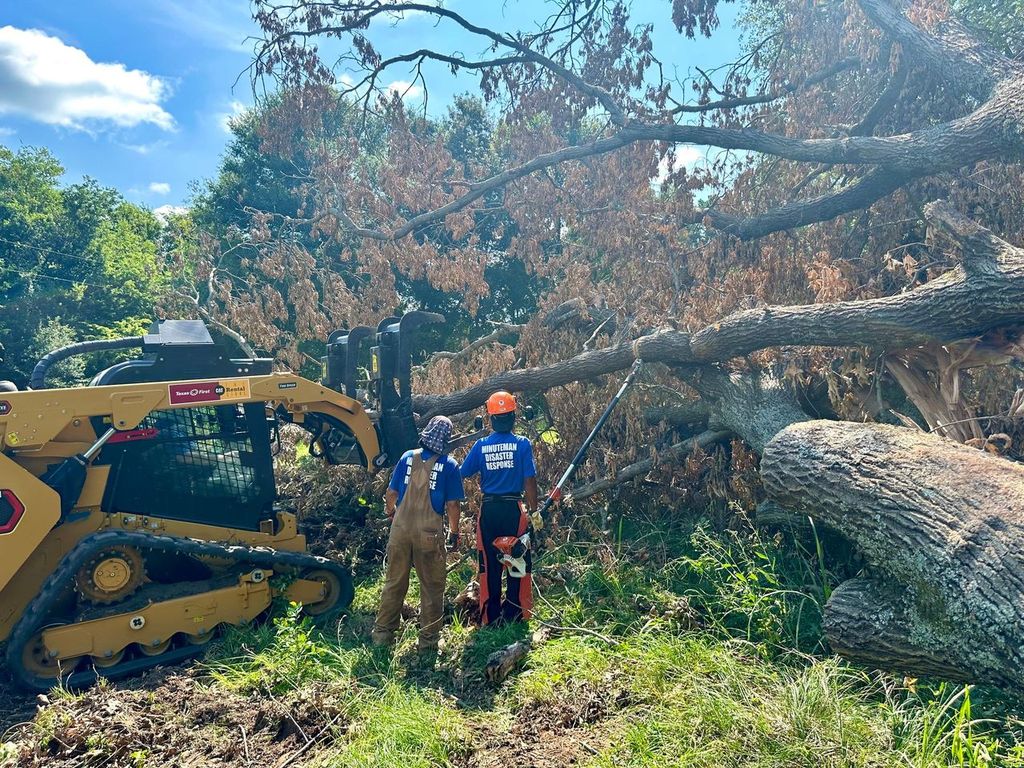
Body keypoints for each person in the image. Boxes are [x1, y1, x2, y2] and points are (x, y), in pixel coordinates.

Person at [372, 415, 465, 653]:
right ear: (445, 439)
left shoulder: (406, 457)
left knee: (394, 582)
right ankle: (428, 643)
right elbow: (453, 505)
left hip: (400, 531)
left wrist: (391, 513)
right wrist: (454, 533)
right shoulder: (450, 466)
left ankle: (382, 635)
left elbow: (391, 493)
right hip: (430, 534)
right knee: (432, 588)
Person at [460, 391, 538, 626]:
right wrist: (534, 511)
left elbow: (461, 473)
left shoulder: (481, 445)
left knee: (488, 564)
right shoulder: (522, 444)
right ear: (513, 416)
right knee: (518, 561)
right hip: (513, 509)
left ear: (490, 418)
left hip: (489, 511)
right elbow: (530, 481)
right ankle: (516, 614)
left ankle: (490, 616)